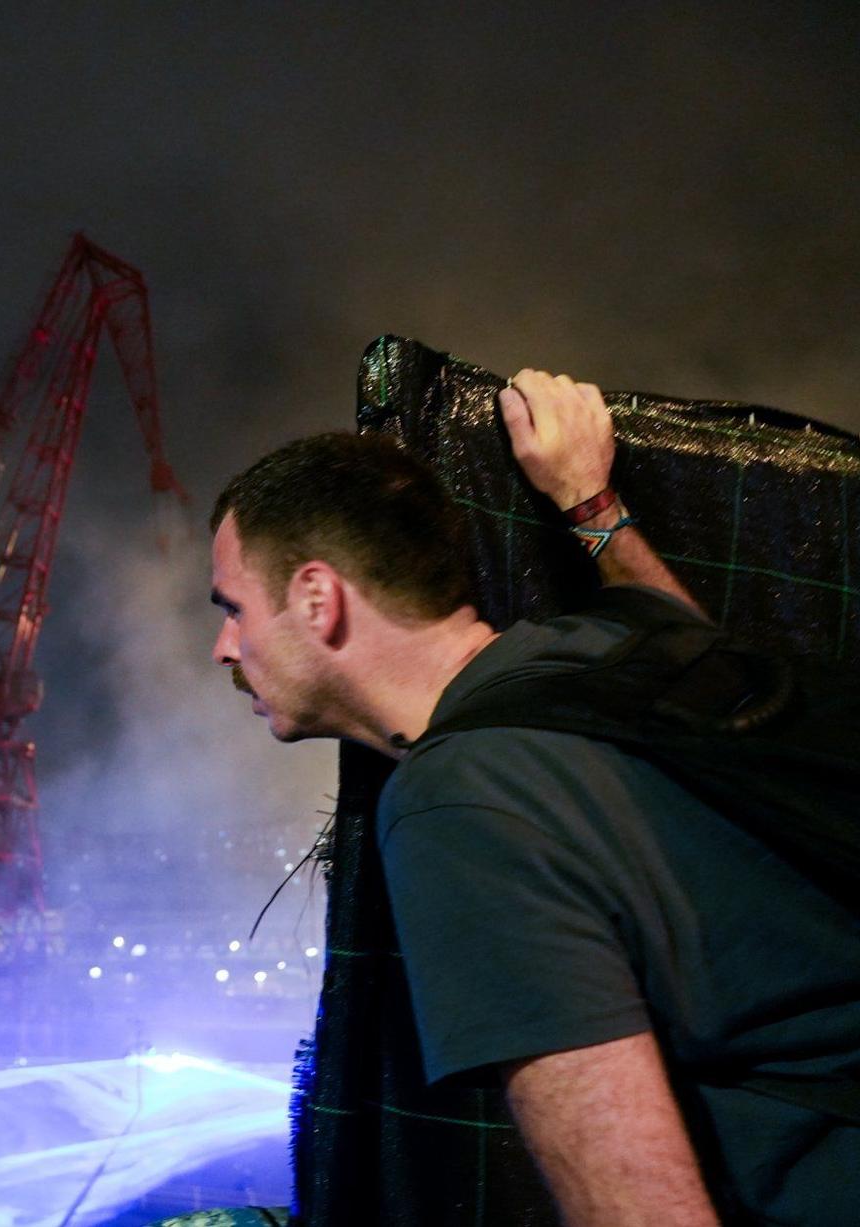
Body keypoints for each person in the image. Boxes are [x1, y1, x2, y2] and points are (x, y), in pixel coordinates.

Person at [207, 370, 860, 1225]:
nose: (225, 647)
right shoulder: (596, 646)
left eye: (233, 608)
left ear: (318, 598)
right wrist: (590, 501)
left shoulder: (458, 807)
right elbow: (690, 644)